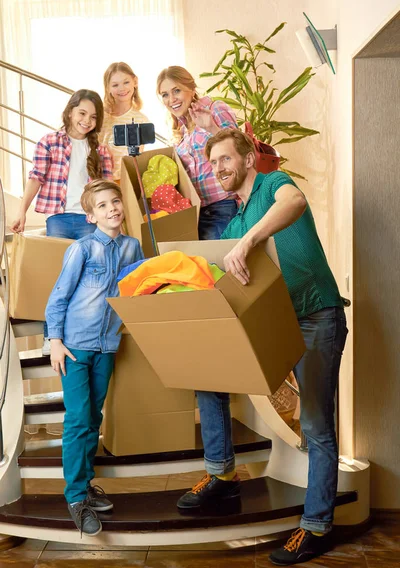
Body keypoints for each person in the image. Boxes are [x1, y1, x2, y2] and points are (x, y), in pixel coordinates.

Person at [177, 129, 348, 566]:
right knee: (206, 372)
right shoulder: (232, 224)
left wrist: (250, 241)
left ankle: (315, 527)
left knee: (315, 424)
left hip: (315, 316)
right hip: (273, 325)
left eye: (225, 159)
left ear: (249, 158)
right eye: (212, 163)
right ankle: (222, 474)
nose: (217, 169)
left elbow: (295, 204)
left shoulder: (274, 185)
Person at [45, 179, 144, 536]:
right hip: (74, 345)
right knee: (78, 419)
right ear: (90, 216)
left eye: (115, 202)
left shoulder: (133, 246)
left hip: (107, 346)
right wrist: (55, 340)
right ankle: (75, 498)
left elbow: (140, 286)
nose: (112, 209)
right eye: (102, 206)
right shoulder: (83, 249)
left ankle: (85, 484)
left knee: (94, 417)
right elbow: (58, 296)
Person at [11, 89, 113, 354]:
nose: (86, 121)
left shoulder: (100, 150)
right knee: (59, 280)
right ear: (70, 111)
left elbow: (108, 189)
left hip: (91, 221)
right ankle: (51, 337)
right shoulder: (50, 142)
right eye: (82, 113)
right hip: (59, 220)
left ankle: (86, 337)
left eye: (93, 116)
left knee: (92, 280)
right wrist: (22, 211)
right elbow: (36, 177)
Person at [157, 66, 239, 240]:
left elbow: (240, 150)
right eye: (165, 94)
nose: (171, 99)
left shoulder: (214, 109)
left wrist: (212, 127)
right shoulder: (182, 129)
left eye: (176, 90)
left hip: (222, 206)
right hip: (196, 213)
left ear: (191, 89)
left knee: (217, 263)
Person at [100, 62, 150, 182]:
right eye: (115, 85)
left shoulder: (141, 120)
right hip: (100, 180)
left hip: (126, 180)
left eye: (126, 82)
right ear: (108, 88)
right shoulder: (100, 116)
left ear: (135, 82)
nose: (122, 88)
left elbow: (137, 158)